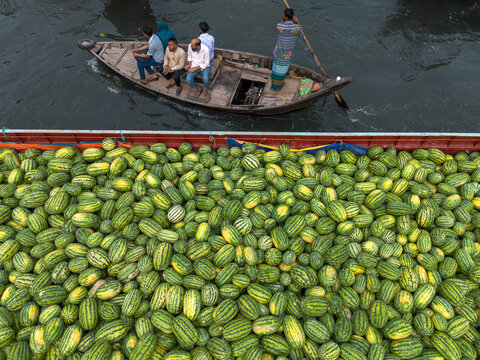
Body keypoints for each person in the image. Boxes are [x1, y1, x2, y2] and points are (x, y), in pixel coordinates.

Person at [271, 8, 304, 90]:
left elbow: (280, 26)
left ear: (286, 17)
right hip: (287, 55)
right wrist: (297, 22)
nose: (282, 16)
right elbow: (302, 33)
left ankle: (275, 86)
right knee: (283, 70)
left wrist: (284, 22)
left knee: (276, 70)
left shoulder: (279, 25)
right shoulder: (296, 28)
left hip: (278, 52)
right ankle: (279, 84)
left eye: (283, 15)